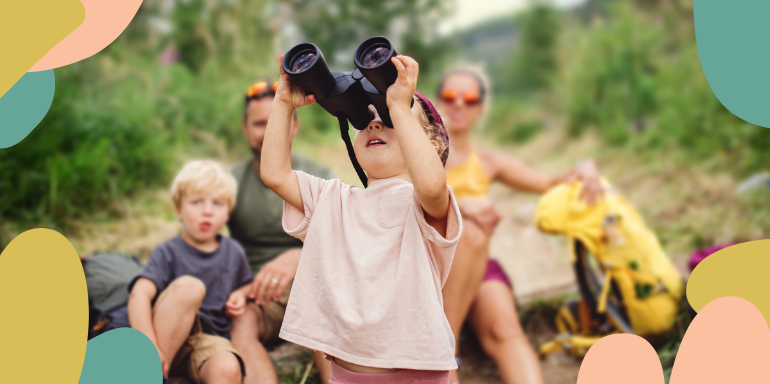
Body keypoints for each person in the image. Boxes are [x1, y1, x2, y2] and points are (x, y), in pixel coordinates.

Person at [261, 53, 462, 384]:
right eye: (364, 119)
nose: (374, 123)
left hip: (417, 375)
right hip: (346, 375)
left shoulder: (423, 204)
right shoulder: (333, 200)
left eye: (389, 118)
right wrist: (283, 103)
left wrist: (399, 106)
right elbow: (275, 174)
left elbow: (431, 183)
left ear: (432, 146)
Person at [436, 67, 604, 384]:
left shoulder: (487, 162)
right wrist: (456, 205)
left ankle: (444, 346)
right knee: (471, 230)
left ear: (480, 108)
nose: (459, 104)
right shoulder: (416, 157)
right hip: (429, 264)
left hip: (475, 265)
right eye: (450, 96)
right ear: (436, 101)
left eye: (469, 98)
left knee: (505, 329)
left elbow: (550, 183)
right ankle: (445, 349)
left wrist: (584, 166)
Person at [227, 79, 335, 384]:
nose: (266, 132)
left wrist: (297, 258)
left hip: (314, 283)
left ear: (295, 126)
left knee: (324, 306)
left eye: (276, 120)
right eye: (259, 123)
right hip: (258, 295)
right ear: (245, 128)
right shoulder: (230, 181)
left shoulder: (320, 177)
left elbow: (341, 241)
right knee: (240, 322)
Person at [128, 160, 254, 384]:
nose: (207, 211)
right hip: (165, 338)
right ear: (179, 210)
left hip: (207, 340)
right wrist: (149, 346)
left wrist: (241, 294)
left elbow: (246, 283)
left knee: (227, 368)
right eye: (196, 202)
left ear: (228, 214)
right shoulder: (168, 252)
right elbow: (139, 294)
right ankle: (150, 374)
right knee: (190, 288)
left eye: (217, 203)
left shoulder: (233, 251)